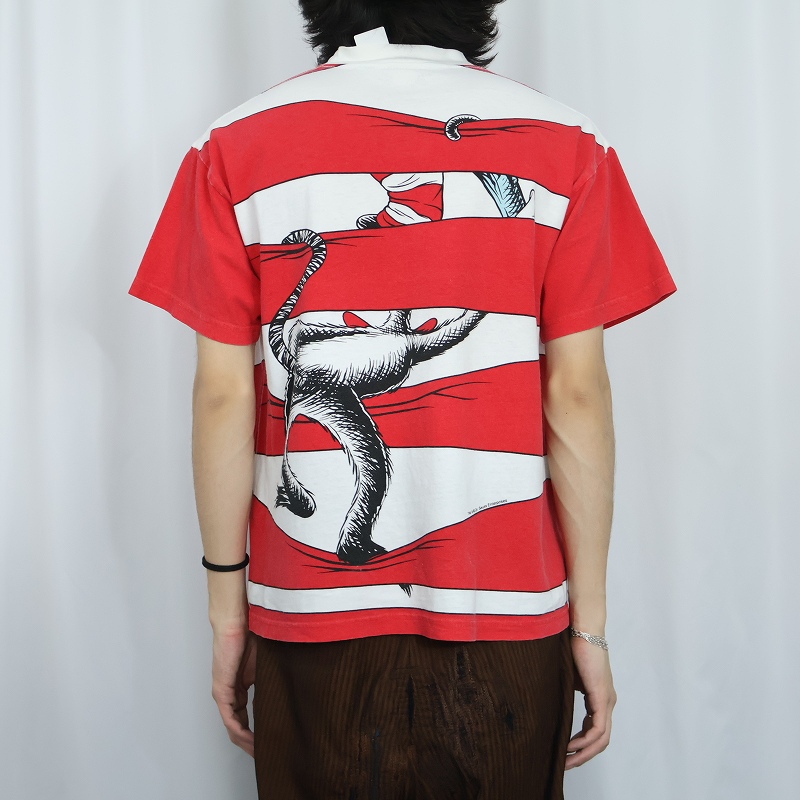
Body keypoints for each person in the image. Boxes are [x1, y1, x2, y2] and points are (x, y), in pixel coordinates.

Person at [128, 1, 677, 796]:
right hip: (505, 613)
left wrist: (227, 612)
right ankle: (356, 528)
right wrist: (588, 626)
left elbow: (222, 395)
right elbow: (577, 391)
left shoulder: (234, 144)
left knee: (370, 459)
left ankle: (352, 533)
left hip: (311, 621)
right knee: (371, 458)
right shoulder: (567, 142)